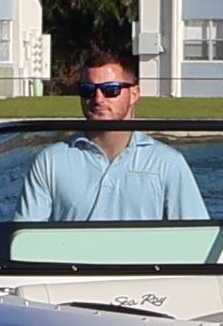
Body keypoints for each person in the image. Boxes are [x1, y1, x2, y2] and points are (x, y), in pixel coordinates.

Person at [12, 39, 210, 226]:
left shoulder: (168, 163)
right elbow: (23, 239)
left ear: (134, 94)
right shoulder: (49, 162)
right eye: (88, 89)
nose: (98, 99)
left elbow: (198, 238)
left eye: (110, 89)